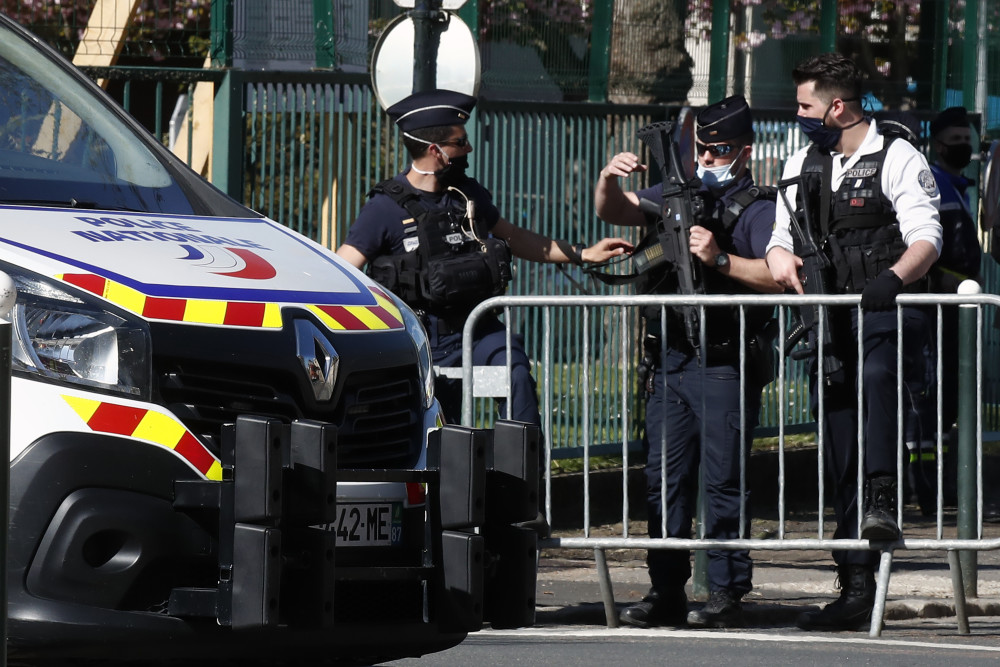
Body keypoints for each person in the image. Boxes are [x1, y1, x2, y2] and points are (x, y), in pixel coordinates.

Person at [336, 87, 632, 438]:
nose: (469, 149)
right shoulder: (384, 208)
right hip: (423, 338)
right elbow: (342, 270)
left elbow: (515, 237)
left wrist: (582, 253)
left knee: (515, 373)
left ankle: (521, 480)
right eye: (460, 143)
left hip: (478, 329)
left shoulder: (468, 194)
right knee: (440, 433)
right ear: (435, 151)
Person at [765, 53, 942, 631]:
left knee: (874, 392)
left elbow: (926, 237)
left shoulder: (895, 155)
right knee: (840, 445)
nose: (798, 115)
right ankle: (856, 584)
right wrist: (780, 258)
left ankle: (885, 502)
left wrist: (889, 281)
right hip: (831, 323)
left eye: (805, 105)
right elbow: (778, 238)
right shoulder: (803, 161)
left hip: (884, 316)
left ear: (836, 107)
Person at [594, 94, 781, 629]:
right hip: (670, 358)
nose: (707, 158)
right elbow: (616, 209)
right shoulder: (680, 192)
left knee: (724, 479)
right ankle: (665, 589)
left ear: (744, 151)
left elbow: (774, 274)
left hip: (723, 359)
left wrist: (719, 258)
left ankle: (726, 589)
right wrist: (609, 177)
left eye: (719, 150)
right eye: (701, 147)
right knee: (664, 480)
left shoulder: (756, 206)